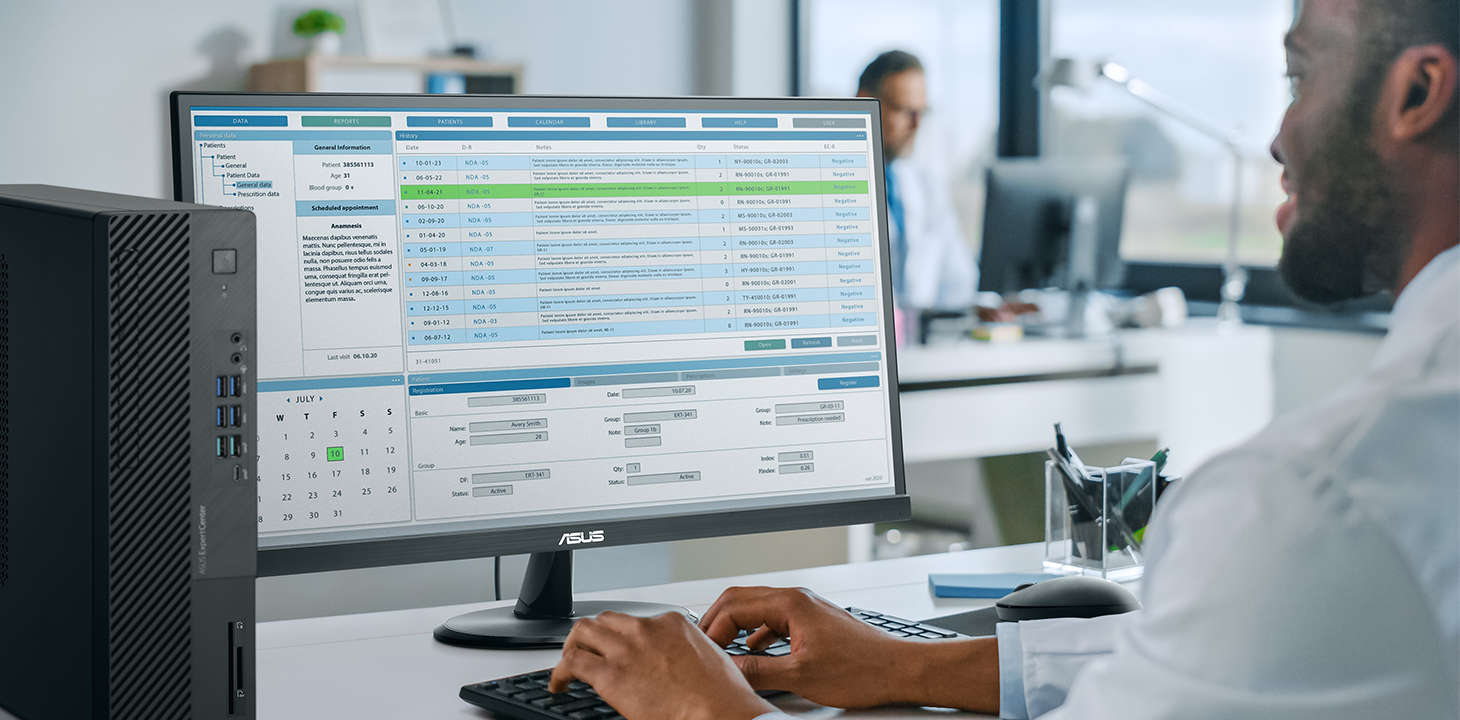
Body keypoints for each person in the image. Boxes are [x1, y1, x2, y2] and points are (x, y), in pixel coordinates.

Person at [545, 1, 1459, 717]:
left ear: (1417, 93)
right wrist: (901, 661)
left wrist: (707, 710)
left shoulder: (1310, 502)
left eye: (1298, 76)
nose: (1277, 135)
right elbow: (1251, 656)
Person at [856, 50, 980, 313]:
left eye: (922, 112)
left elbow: (959, 283)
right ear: (864, 102)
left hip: (920, 346)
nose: (916, 125)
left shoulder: (927, 187)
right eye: (904, 111)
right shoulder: (830, 184)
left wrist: (982, 308)